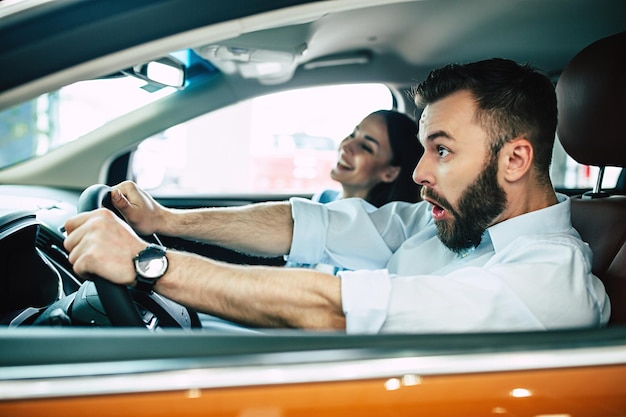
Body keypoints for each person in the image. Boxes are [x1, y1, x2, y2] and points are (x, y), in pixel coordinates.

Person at [64, 58, 610, 334]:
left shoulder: (545, 284)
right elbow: (306, 224)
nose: (419, 172)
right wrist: (166, 219)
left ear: (515, 160)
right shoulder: (447, 221)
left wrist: (147, 263)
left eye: (441, 150)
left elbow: (337, 310)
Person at [287, 109, 423, 274]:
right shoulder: (323, 199)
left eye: (366, 147)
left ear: (390, 172)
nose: (346, 146)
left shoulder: (381, 236)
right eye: (352, 135)